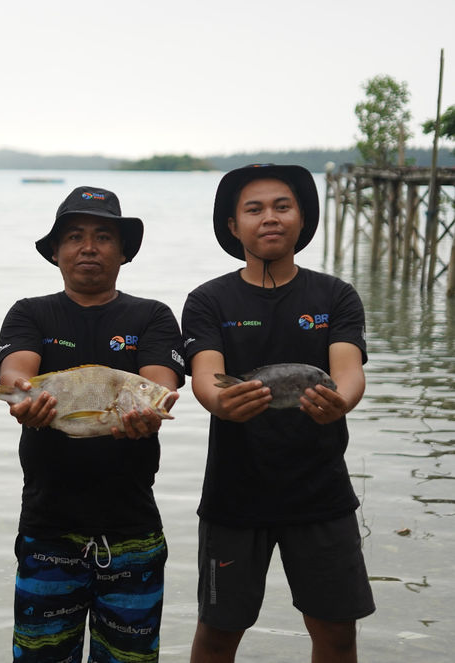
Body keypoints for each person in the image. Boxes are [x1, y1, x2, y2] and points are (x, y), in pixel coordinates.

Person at [181, 164, 376, 662]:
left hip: (322, 495)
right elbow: (206, 374)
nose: (269, 218)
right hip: (234, 496)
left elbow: (348, 371)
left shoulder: (335, 297)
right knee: (218, 633)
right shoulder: (208, 300)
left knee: (336, 634)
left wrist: (342, 403)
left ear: (301, 218)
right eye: (254, 209)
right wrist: (219, 401)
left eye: (281, 206)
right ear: (233, 226)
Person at [0, 186, 184, 663]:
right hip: (47, 528)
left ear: (122, 252)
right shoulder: (30, 312)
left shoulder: (153, 315)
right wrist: (20, 395)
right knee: (41, 656)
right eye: (74, 237)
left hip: (133, 530)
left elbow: (158, 384)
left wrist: (151, 410)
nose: (89, 247)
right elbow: (16, 372)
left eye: (103, 237)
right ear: (56, 252)